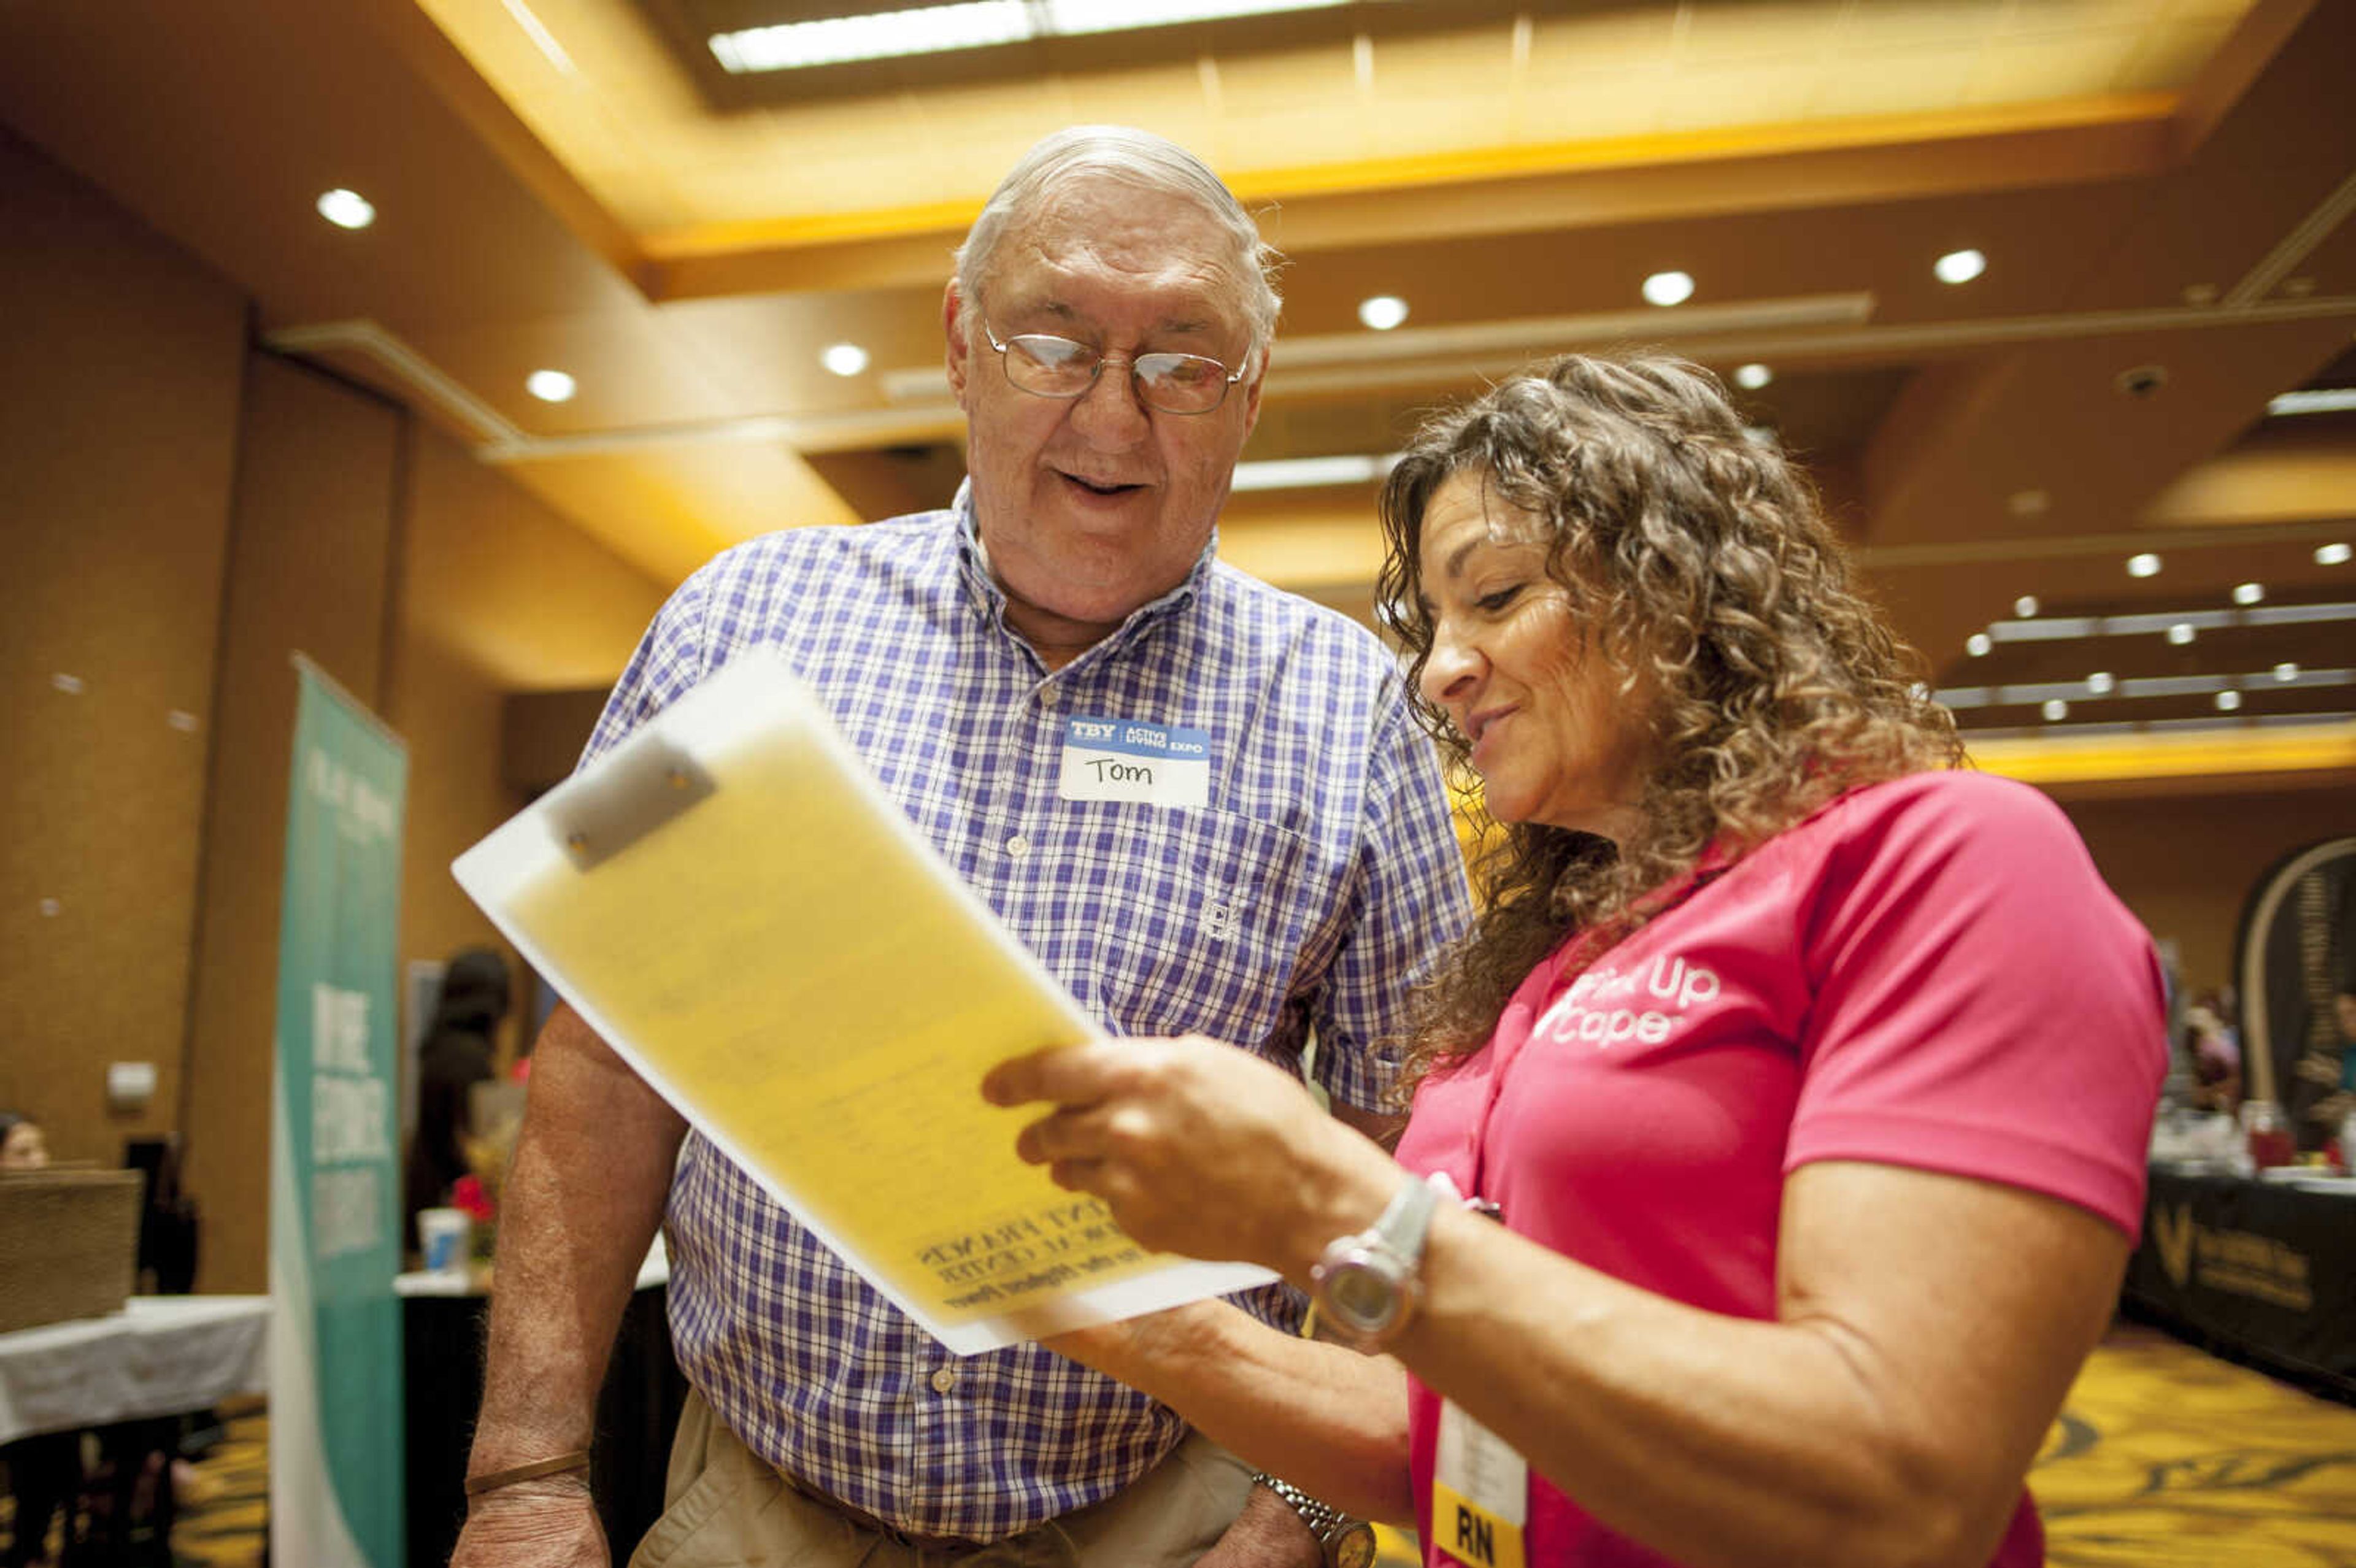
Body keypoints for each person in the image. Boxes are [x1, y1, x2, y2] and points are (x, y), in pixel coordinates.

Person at [449, 125, 1472, 1568]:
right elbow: (610, 1063)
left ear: (1247, 401)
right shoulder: (739, 627)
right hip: (755, 1508)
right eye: (1055, 340)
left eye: (1183, 363)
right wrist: (526, 1478)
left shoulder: (1349, 708)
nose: (1114, 421)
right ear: (960, 346)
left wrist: (1295, 1512)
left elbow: (1414, 1160)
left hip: (1164, 1522)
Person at [987, 353, 2169, 1568]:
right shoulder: (1548, 968)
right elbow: (1455, 1440)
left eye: (1494, 598)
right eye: (1433, 626)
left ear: (1674, 587)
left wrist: (1332, 1206)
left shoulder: (1942, 859)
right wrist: (1122, 1319)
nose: (1440, 669)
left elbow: (1900, 1488)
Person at [402, 947, 511, 1251]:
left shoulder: (439, 1047)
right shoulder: (467, 1058)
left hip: (429, 1198)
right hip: (450, 1209)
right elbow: (472, 1144)